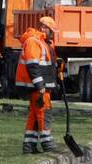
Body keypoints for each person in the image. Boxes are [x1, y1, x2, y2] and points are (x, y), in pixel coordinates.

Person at [15, 17, 59, 154]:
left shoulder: (43, 42)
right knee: (44, 112)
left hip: (40, 85)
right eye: (52, 31)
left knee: (34, 115)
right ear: (45, 28)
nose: (53, 34)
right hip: (38, 86)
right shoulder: (34, 42)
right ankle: (48, 143)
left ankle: (29, 145)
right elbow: (32, 65)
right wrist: (40, 85)